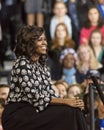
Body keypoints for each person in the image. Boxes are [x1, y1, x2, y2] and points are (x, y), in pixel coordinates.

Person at [1, 25, 88, 130]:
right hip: (18, 113)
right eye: (39, 40)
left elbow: (50, 94)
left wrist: (73, 103)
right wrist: (66, 101)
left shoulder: (43, 67)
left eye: (45, 39)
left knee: (75, 110)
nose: (45, 43)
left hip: (37, 110)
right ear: (29, 43)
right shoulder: (22, 63)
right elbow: (35, 96)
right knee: (69, 112)